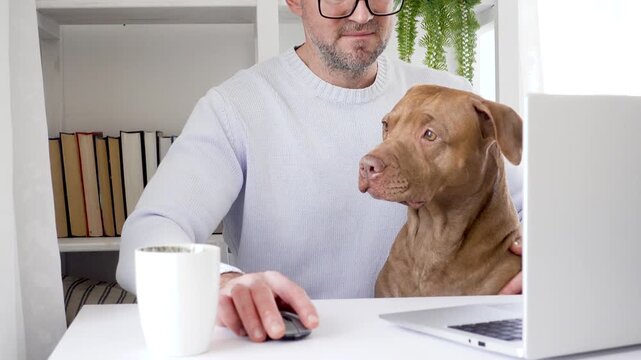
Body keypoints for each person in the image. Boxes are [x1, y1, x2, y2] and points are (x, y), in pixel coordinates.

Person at [116, 0, 523, 343]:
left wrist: (546, 259)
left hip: (435, 344)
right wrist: (221, 282)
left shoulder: (447, 96)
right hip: (289, 344)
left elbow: (533, 209)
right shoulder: (236, 107)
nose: (362, 15)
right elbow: (148, 232)